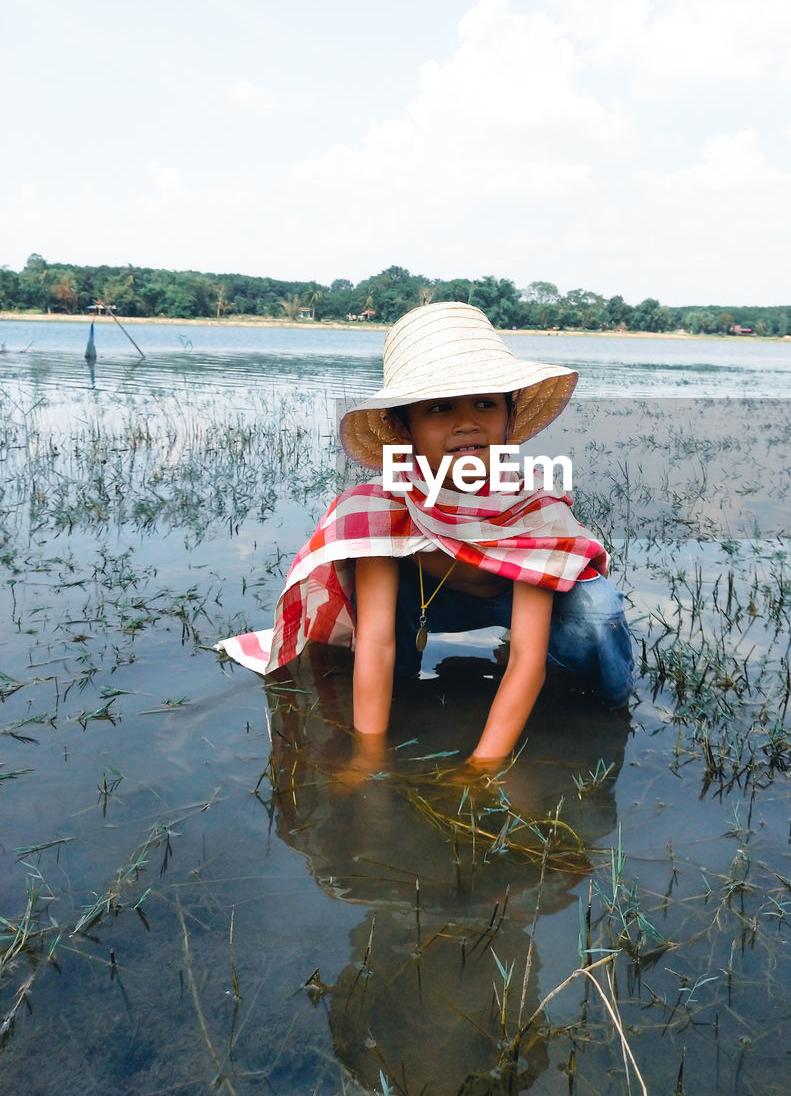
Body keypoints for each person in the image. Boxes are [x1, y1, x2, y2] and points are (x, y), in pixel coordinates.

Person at [218, 301, 634, 766]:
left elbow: (527, 659)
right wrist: (368, 756)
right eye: (439, 407)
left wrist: (482, 767)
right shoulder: (383, 506)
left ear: (508, 416)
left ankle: (605, 708)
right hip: (420, 603)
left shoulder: (531, 508)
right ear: (403, 426)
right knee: (377, 669)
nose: (466, 422)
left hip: (518, 604)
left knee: (596, 611)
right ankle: (401, 691)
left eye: (484, 403)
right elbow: (375, 640)